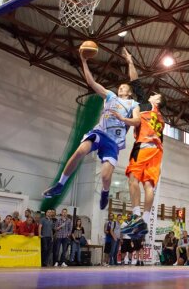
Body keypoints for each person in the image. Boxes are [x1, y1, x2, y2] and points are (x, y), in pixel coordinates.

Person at [43, 47, 140, 210]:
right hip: (100, 133)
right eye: (120, 87)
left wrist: (123, 118)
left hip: (114, 143)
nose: (120, 88)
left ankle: (105, 191)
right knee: (80, 151)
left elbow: (137, 121)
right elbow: (91, 83)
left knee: (105, 176)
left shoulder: (132, 104)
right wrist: (84, 61)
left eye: (124, 87)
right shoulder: (110, 96)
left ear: (130, 92)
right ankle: (60, 184)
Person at [119, 50, 166, 237]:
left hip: (143, 146)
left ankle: (136, 215)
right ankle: (145, 219)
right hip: (157, 152)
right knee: (148, 185)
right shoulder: (162, 119)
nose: (151, 94)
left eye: (155, 94)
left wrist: (130, 62)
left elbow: (135, 82)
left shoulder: (146, 106)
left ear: (158, 100)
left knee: (132, 179)